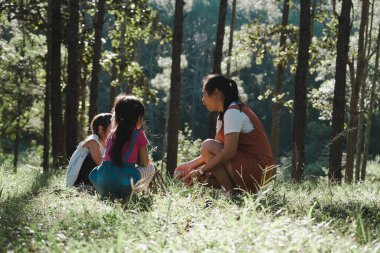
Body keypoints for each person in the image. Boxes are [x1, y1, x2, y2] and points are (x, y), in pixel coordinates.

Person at [175, 74, 275, 194]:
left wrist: (200, 170)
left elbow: (229, 152)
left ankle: (230, 195)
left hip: (258, 170)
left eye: (204, 94)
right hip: (246, 167)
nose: (202, 100)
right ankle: (235, 193)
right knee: (199, 177)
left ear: (216, 92)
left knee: (207, 147)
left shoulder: (233, 112)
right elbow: (215, 154)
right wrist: (190, 166)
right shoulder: (223, 115)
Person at [89, 94, 156, 197]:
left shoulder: (111, 134)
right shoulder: (138, 134)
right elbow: (144, 162)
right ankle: (135, 194)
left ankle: (109, 193)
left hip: (103, 184)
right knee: (151, 168)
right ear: (139, 118)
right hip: (124, 184)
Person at [66, 113, 112, 187]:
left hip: (91, 175)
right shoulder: (93, 141)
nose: (114, 131)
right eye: (111, 128)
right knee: (93, 158)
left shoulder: (107, 142)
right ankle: (84, 184)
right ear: (101, 129)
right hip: (76, 179)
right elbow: (100, 162)